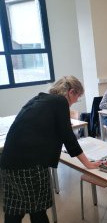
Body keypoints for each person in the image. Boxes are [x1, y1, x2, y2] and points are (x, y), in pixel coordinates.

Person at [0, 76, 101, 223]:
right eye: (77, 98)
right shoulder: (60, 102)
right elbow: (68, 137)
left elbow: (37, 128)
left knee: (15, 208)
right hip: (29, 164)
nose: (74, 102)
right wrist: (88, 164)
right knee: (37, 208)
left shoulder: (40, 98)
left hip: (8, 160)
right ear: (71, 92)